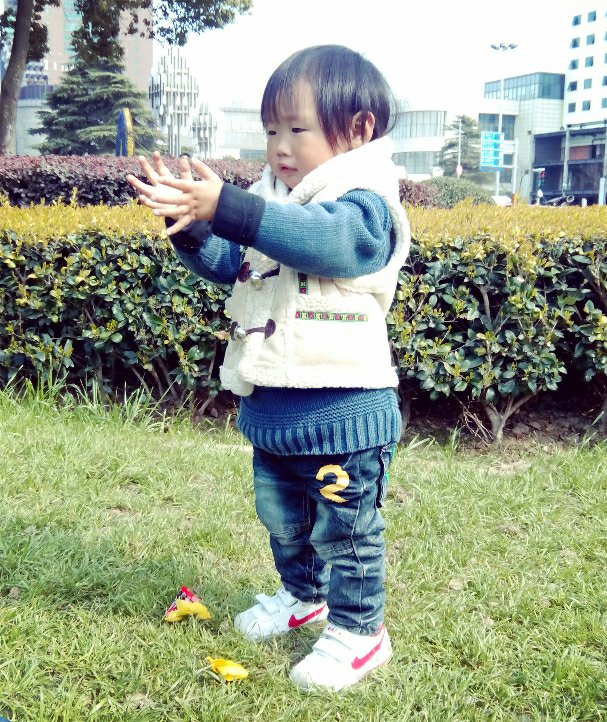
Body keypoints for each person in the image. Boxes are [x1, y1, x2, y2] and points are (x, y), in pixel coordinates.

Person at [127, 44, 411, 692]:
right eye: (271, 131)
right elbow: (231, 262)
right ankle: (303, 598)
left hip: (344, 415)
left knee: (345, 531)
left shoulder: (366, 203)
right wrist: (188, 225)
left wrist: (231, 208)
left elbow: (327, 241)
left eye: (296, 129)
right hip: (275, 410)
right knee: (285, 523)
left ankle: (360, 632)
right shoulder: (269, 201)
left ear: (358, 127)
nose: (280, 147)